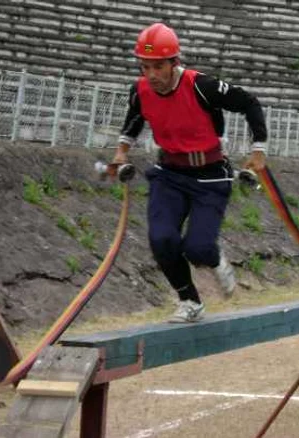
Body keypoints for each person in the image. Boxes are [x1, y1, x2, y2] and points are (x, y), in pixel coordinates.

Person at [112, 22, 267, 323]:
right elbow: (135, 117)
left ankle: (214, 259)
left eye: (158, 67)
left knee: (197, 248)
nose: (152, 75)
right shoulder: (141, 89)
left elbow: (249, 103)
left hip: (210, 176)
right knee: (162, 240)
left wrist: (258, 150)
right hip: (169, 173)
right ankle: (189, 301)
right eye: (145, 67)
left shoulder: (201, 86)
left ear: (174, 62)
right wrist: (122, 150)